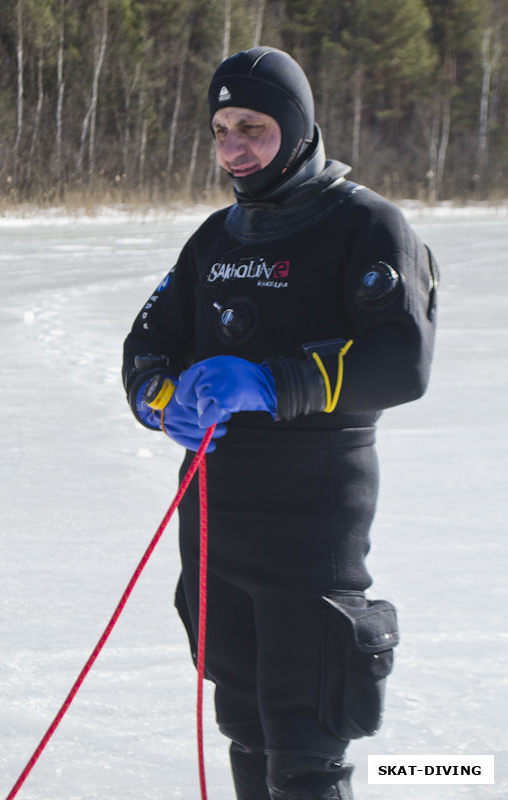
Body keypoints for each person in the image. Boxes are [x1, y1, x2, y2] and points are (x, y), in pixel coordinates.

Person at [122, 46, 438, 800]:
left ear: (296, 129)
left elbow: (402, 363)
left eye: (254, 128)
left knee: (306, 743)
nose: (234, 146)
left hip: (311, 525)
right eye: (222, 128)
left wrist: (269, 380)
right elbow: (146, 346)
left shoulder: (366, 225)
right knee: (246, 727)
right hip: (216, 528)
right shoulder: (216, 238)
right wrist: (166, 401)